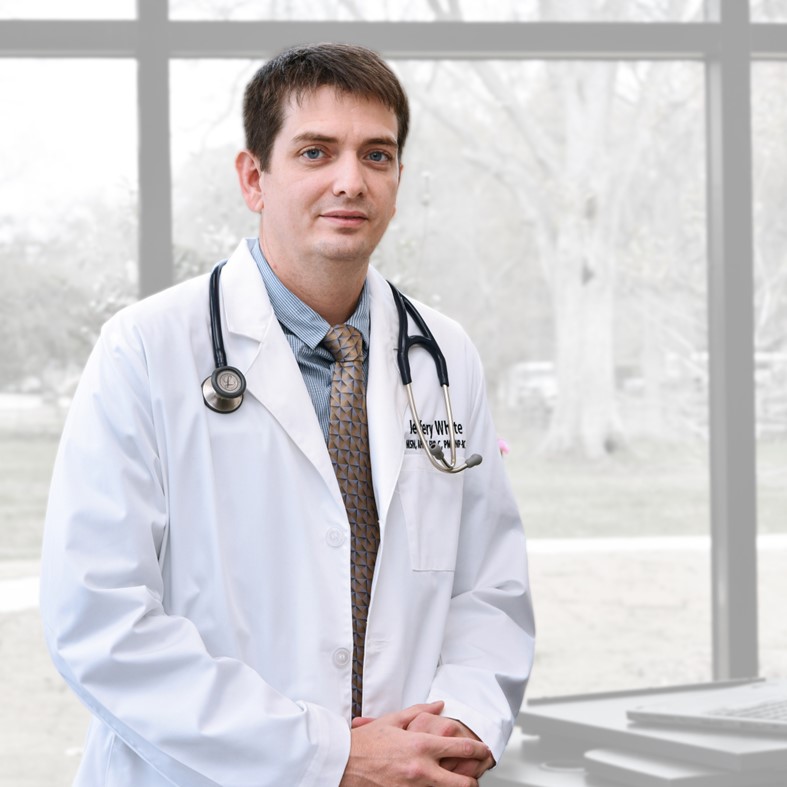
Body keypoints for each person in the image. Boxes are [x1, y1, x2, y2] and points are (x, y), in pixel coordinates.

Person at [40, 43, 535, 786]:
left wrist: (458, 721)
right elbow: (102, 623)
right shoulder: (144, 350)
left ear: (398, 177)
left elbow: (487, 585)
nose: (350, 180)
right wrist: (326, 754)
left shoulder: (443, 356)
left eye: (377, 155)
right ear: (253, 177)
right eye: (315, 151)